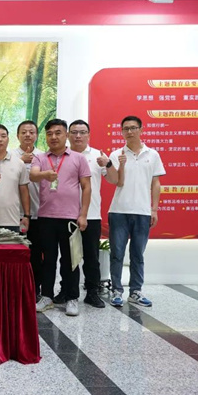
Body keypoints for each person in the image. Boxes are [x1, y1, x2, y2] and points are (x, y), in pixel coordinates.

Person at [30, 118, 91, 317]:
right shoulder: (40, 157)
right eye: (49, 134)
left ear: (66, 135)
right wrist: (45, 175)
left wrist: (83, 215)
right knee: (48, 259)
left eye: (58, 133)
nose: (53, 137)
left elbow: (86, 187)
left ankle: (72, 298)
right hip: (46, 216)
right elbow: (33, 175)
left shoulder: (78, 158)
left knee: (70, 260)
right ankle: (47, 296)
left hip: (70, 218)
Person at [107, 116, 165, 307]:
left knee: (138, 254)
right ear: (121, 132)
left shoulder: (152, 154)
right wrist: (121, 164)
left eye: (133, 128)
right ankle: (117, 290)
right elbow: (117, 181)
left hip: (142, 212)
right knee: (117, 253)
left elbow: (156, 183)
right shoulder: (116, 155)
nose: (129, 132)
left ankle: (136, 291)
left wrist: (154, 209)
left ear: (141, 129)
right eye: (126, 129)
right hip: (119, 211)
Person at [62, 120, 118, 309]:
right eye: (74, 132)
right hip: (66, 214)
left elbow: (114, 180)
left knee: (91, 257)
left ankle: (92, 292)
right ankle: (66, 290)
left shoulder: (98, 156)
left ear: (89, 135)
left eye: (82, 132)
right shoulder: (62, 155)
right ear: (68, 135)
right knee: (68, 257)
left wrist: (108, 164)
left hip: (92, 215)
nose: (78, 136)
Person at [13, 120, 44, 301]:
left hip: (38, 213)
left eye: (31, 132)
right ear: (17, 135)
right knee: (15, 253)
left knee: (36, 254)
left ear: (36, 135)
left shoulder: (42, 156)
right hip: (13, 214)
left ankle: (35, 289)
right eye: (23, 132)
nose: (27, 135)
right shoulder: (10, 156)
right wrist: (20, 161)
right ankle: (15, 288)